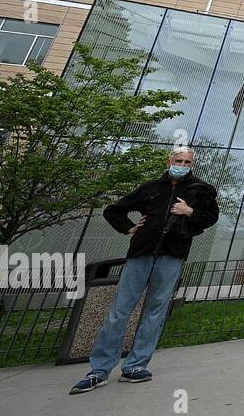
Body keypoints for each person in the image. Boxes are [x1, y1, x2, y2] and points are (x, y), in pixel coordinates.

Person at [69, 147, 219, 393]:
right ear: (169, 161)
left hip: (172, 254)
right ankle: (99, 369)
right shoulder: (151, 188)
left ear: (192, 165)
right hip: (141, 252)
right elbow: (113, 209)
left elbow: (210, 217)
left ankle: (136, 365)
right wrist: (129, 228)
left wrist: (189, 211)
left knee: (156, 310)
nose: (182, 164)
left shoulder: (199, 190)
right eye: (178, 160)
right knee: (120, 310)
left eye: (187, 162)